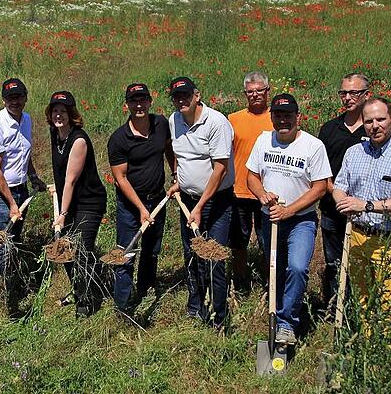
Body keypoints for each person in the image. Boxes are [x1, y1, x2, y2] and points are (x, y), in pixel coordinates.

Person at [246, 93, 331, 345]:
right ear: (271, 116)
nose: (283, 120)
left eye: (288, 115)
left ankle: (286, 323)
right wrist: (261, 193)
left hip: (300, 221)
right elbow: (251, 176)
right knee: (276, 269)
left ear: (298, 117)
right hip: (269, 218)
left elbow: (320, 187)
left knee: (297, 267)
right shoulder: (263, 141)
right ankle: (278, 311)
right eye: (278, 115)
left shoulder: (313, 146)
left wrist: (290, 210)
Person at [332, 97, 391, 330]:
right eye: (369, 120)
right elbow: (340, 186)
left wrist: (365, 205)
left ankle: (389, 357)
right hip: (357, 236)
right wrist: (342, 201)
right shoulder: (354, 153)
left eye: (381, 119)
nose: (375, 125)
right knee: (362, 300)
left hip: (389, 240)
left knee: (389, 304)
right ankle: (366, 350)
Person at [166, 76, 235, 326]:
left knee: (214, 256)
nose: (181, 100)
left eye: (185, 95)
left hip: (216, 202)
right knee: (192, 254)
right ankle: (196, 306)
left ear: (197, 95)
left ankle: (219, 314)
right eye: (176, 97)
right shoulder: (174, 120)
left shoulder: (216, 122)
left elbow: (220, 169)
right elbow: (178, 154)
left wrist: (199, 206)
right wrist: (178, 180)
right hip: (188, 201)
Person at [107, 83, 174, 314]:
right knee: (126, 252)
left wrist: (175, 175)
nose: (139, 105)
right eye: (134, 101)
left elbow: (168, 149)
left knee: (151, 249)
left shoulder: (161, 124)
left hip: (157, 200)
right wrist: (140, 209)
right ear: (127, 105)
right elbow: (120, 178)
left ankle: (145, 286)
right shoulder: (119, 139)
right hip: (130, 206)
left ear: (150, 101)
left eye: (142, 99)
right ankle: (123, 306)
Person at [45, 90, 107, 318]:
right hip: (69, 200)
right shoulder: (55, 134)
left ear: (71, 114)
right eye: (55, 111)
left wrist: (62, 213)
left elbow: (71, 179)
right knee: (64, 251)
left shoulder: (78, 139)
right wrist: (56, 188)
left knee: (80, 250)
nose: (58, 115)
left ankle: (88, 300)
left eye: (63, 111)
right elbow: (62, 173)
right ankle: (80, 289)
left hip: (89, 202)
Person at [0, 78, 46, 277]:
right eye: (10, 98)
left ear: (25, 97)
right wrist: (11, 204)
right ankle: (1, 286)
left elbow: (24, 153)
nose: (14, 102)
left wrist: (33, 176)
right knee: (2, 244)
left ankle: (11, 279)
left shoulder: (26, 119)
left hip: (21, 188)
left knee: (15, 239)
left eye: (18, 97)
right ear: (3, 100)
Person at [317, 73, 371, 317]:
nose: (347, 98)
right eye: (343, 93)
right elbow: (319, 169)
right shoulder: (329, 129)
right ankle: (336, 308)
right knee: (334, 262)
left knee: (361, 263)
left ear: (366, 95)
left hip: (364, 212)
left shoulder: (374, 128)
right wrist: (336, 195)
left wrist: (359, 203)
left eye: (354, 93)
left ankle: (362, 309)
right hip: (332, 207)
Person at [228, 71, 274, 291]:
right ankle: (240, 282)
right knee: (238, 241)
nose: (255, 95)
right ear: (245, 94)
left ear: (268, 91)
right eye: (250, 92)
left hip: (268, 192)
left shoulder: (277, 117)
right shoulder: (233, 119)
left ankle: (269, 283)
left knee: (268, 241)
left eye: (259, 91)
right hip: (239, 190)